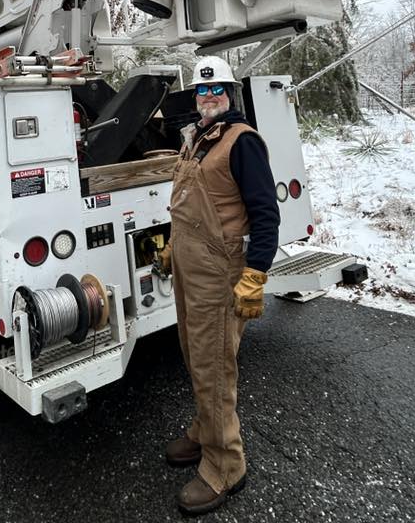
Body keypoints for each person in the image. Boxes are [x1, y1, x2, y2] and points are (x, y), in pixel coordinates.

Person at [156, 55, 280, 515]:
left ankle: (226, 465)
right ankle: (205, 430)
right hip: (191, 271)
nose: (208, 97)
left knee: (215, 368)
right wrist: (173, 247)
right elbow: (190, 203)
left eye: (216, 90)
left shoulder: (241, 141)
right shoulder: (199, 139)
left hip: (219, 273)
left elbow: (266, 214)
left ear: (230, 94)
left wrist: (255, 273)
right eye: (202, 91)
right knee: (195, 356)